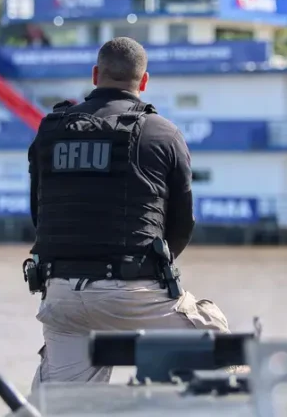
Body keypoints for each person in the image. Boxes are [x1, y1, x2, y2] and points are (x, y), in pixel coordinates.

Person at [25, 37, 234, 392]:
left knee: (63, 407)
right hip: (134, 293)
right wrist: (146, 272)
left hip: (60, 297)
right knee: (226, 347)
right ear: (144, 80)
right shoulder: (162, 133)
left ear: (95, 75)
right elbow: (182, 224)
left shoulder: (50, 131)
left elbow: (38, 214)